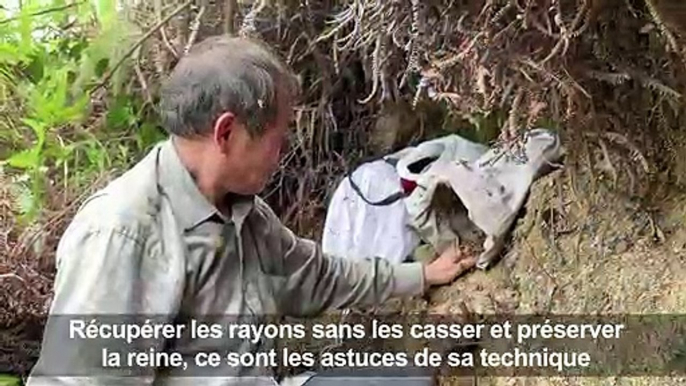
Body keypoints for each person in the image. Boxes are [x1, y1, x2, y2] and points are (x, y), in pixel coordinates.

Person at [26, 35, 476, 386]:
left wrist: (422, 276)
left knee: (409, 379)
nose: (282, 154)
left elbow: (316, 275)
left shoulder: (244, 213)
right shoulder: (123, 234)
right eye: (276, 139)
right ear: (226, 133)